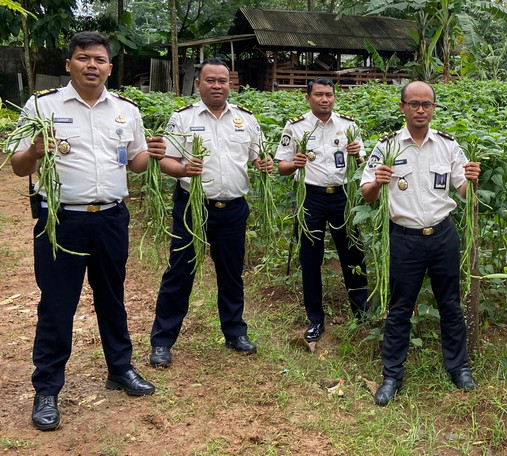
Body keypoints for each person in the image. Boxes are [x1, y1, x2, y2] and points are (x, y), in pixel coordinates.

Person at [10, 31, 164, 431]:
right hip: (61, 220)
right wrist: (34, 151)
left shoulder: (125, 110)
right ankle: (47, 389)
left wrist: (154, 152)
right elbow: (19, 167)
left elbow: (136, 163)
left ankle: (120, 369)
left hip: (111, 217)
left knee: (112, 297)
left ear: (110, 67)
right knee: (57, 304)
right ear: (69, 64)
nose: (91, 65)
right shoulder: (43, 106)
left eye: (99, 59)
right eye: (83, 58)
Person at [361, 81, 480, 406]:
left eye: (426, 104)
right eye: (413, 104)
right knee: (400, 309)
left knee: (451, 305)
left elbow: (465, 193)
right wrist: (376, 183)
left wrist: (472, 180)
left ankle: (459, 368)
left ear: (434, 107)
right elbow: (367, 193)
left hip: (442, 235)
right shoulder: (386, 146)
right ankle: (391, 376)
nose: (420, 110)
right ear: (402, 107)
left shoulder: (448, 146)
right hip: (403, 238)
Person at [148, 59, 272, 368]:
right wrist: (183, 169)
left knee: (231, 273)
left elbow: (260, 157)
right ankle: (163, 340)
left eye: (223, 80)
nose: (217, 85)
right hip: (192, 207)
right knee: (179, 272)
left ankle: (234, 332)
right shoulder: (182, 119)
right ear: (198, 84)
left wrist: (264, 164)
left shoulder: (246, 120)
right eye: (210, 80)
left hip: (232, 209)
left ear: (231, 84)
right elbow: (166, 161)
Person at [275, 77, 369, 342]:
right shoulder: (295, 127)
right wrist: (295, 163)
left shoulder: (348, 125)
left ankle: (361, 313)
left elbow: (363, 164)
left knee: (352, 254)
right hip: (311, 197)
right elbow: (280, 167)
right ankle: (315, 319)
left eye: (329, 94)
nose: (324, 99)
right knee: (311, 258)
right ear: (308, 98)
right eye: (318, 95)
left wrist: (357, 155)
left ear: (334, 97)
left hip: (343, 196)